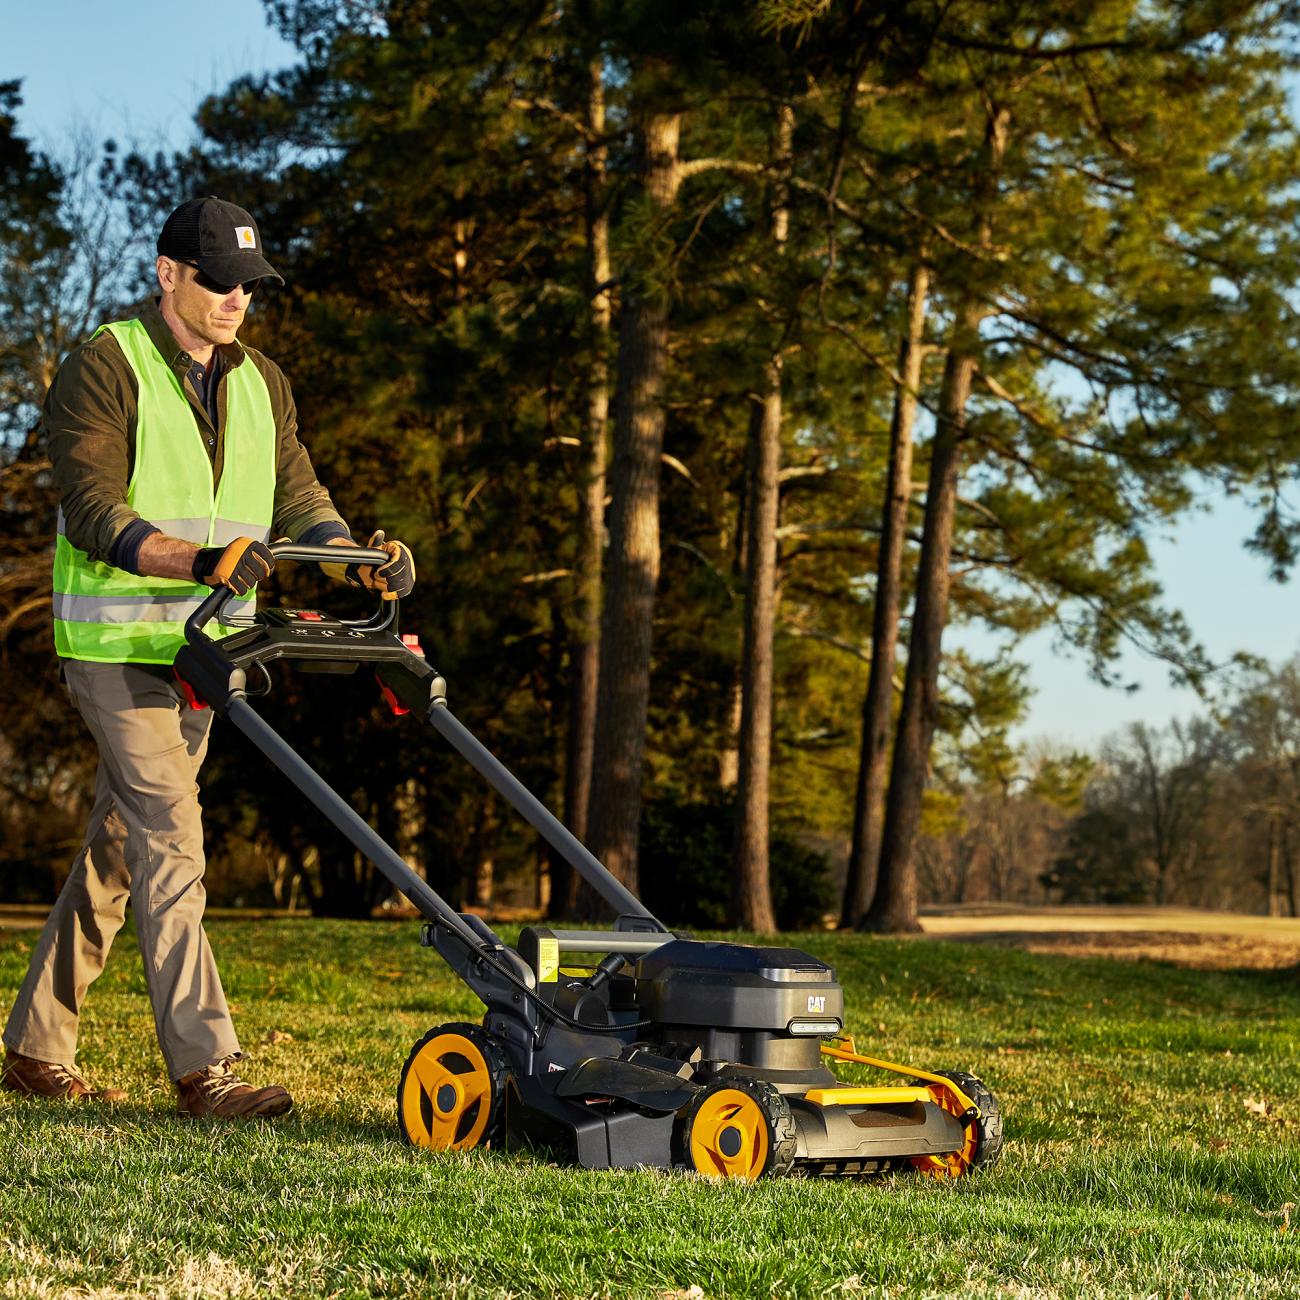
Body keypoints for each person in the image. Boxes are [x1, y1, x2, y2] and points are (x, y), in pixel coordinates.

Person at [0, 196, 414, 1117]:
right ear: (169, 274)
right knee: (171, 837)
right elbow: (93, 508)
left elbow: (298, 492)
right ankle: (205, 1069)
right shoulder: (106, 363)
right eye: (219, 281)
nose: (236, 300)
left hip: (205, 653)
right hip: (117, 647)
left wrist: (355, 562)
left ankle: (34, 1046)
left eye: (250, 286)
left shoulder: (262, 378)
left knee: (119, 845)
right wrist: (198, 561)